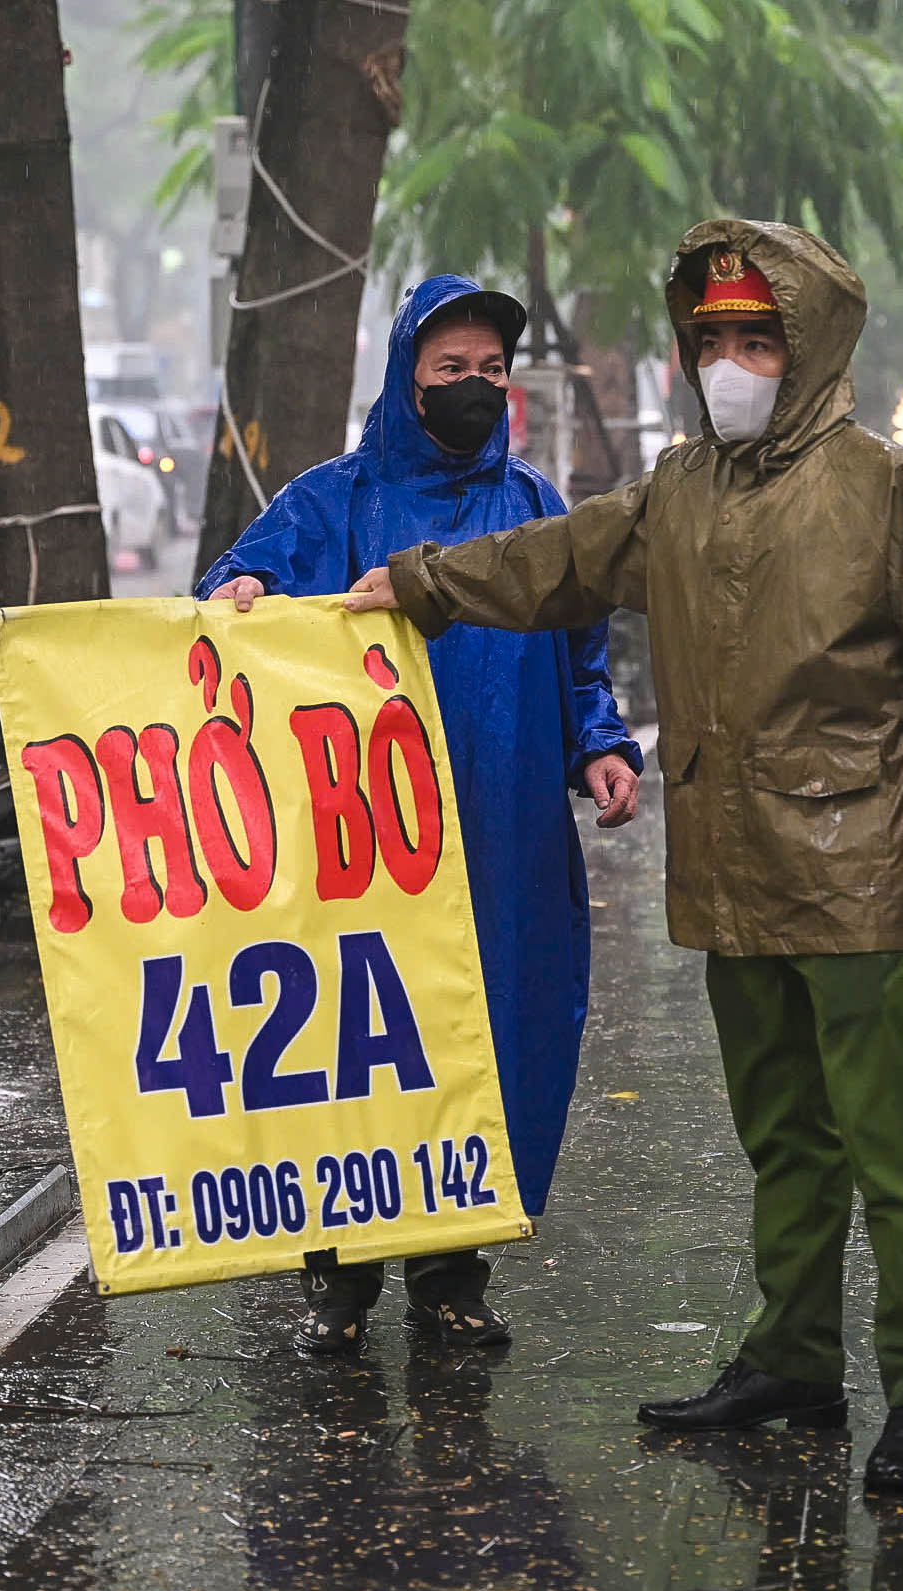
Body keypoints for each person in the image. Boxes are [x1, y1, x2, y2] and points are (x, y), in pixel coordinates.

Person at [342, 221, 903, 1493]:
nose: (732, 363)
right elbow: (555, 560)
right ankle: (793, 1358)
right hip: (730, 867)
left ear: (809, 350)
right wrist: (415, 582)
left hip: (858, 867)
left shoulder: (888, 490)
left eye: (757, 340)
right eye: (714, 342)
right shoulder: (680, 489)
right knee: (781, 1133)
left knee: (881, 1135)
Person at [198, 274, 643, 1357]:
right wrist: (243, 593)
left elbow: (581, 649)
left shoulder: (534, 505)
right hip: (356, 844)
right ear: (407, 380)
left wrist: (601, 744)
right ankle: (338, 1283)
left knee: (480, 1041)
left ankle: (453, 1273)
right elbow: (231, 594)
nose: (475, 388)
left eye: (492, 371)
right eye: (453, 370)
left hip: (502, 834)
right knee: (354, 1044)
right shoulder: (331, 501)